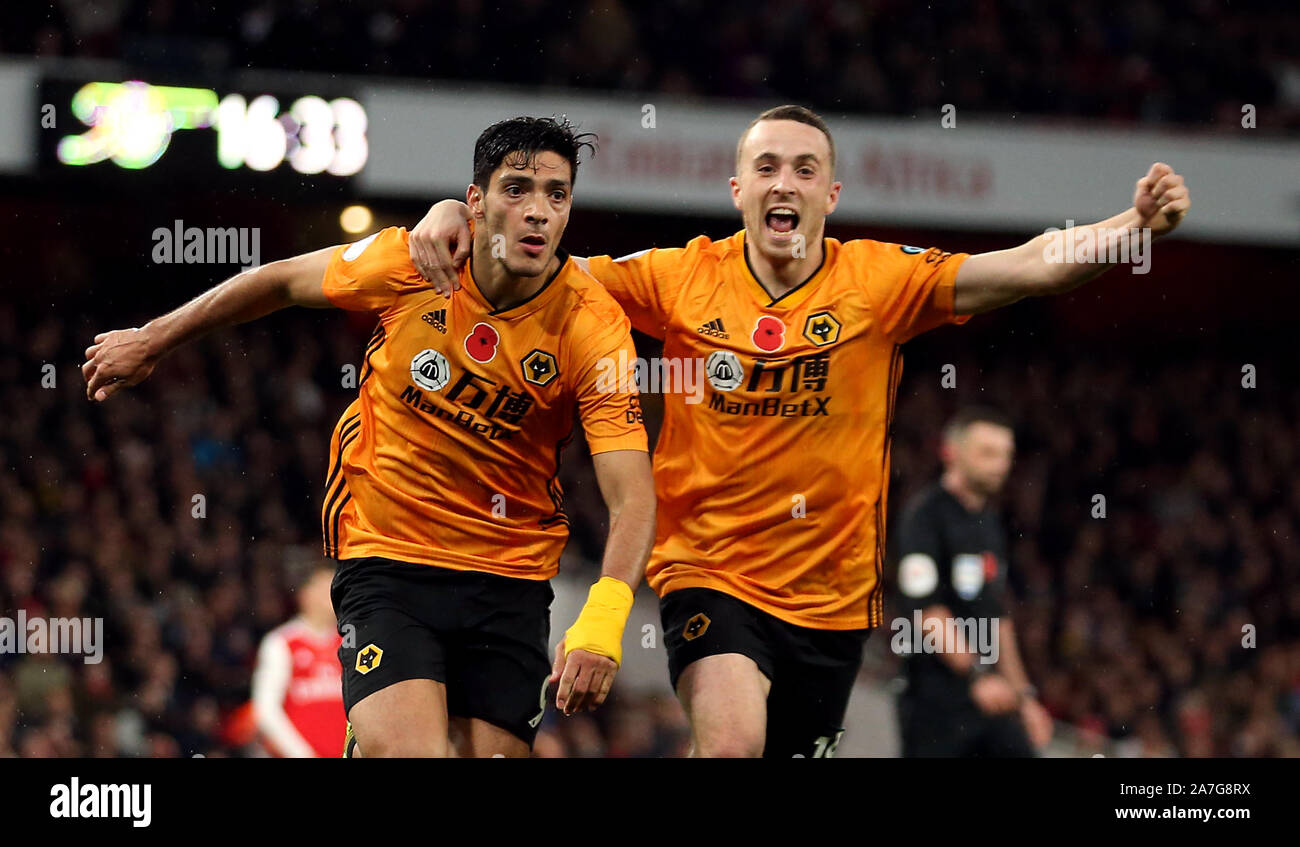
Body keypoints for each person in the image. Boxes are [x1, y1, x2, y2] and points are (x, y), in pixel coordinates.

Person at [409, 104, 1191, 757]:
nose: (786, 181)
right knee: (730, 743)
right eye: (769, 167)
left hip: (832, 599)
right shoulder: (679, 276)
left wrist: (1132, 227)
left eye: (805, 169)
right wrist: (454, 209)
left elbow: (1030, 264)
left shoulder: (881, 282)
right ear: (739, 188)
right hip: (707, 570)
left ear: (832, 194)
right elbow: (536, 261)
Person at [82, 116, 657, 758]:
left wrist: (605, 618)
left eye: (556, 194)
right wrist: (151, 340)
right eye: (516, 188)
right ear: (476, 201)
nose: (537, 212)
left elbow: (631, 496)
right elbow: (274, 281)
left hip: (509, 578)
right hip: (389, 556)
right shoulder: (412, 262)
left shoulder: (593, 325)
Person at [892, 407, 1052, 757]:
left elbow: (997, 617)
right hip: (935, 702)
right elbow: (927, 613)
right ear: (950, 452)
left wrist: (1024, 697)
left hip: (989, 699)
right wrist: (978, 674)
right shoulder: (925, 517)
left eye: (1006, 454)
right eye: (987, 453)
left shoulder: (989, 523)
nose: (1001, 464)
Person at [251, 559, 346, 758]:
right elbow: (266, 710)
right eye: (324, 588)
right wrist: (302, 754)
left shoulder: (350, 643)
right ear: (305, 594)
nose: (333, 595)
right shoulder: (281, 643)